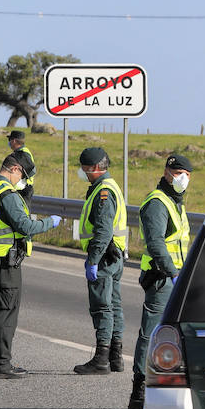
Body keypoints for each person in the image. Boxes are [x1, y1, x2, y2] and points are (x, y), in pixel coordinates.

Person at [0, 153, 61, 378]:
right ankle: (1, 365)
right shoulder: (6, 194)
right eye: (22, 176)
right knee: (6, 313)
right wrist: (49, 222)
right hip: (5, 259)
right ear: (14, 169)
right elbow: (25, 226)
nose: (21, 181)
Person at [130, 153, 194, 409]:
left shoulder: (176, 202)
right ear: (167, 173)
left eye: (186, 175)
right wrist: (173, 273)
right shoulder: (157, 202)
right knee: (151, 333)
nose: (182, 179)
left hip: (178, 278)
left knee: (178, 335)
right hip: (162, 278)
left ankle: (171, 387)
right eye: (178, 173)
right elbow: (156, 243)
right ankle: (139, 389)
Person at [72, 147, 128, 377]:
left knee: (102, 307)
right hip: (115, 255)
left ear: (95, 167)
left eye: (85, 168)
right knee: (114, 305)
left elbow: (103, 230)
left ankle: (101, 359)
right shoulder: (109, 185)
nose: (82, 172)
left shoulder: (103, 191)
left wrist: (93, 260)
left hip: (104, 257)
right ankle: (116, 357)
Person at [6, 129, 35, 202]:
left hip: (22, 191)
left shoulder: (22, 153)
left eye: (9, 140)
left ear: (14, 141)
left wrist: (21, 178)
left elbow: (32, 170)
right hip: (22, 190)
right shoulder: (24, 151)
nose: (9, 142)